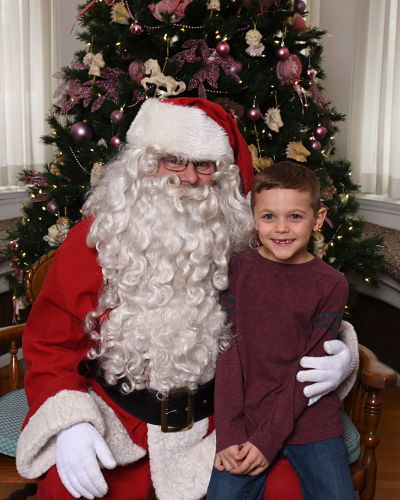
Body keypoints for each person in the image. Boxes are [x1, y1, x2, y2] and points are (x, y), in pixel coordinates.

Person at [16, 98, 358, 500]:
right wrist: (72, 423)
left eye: (204, 164)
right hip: (119, 422)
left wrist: (343, 354)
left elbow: (301, 302)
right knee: (67, 492)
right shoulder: (97, 238)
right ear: (143, 161)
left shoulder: (244, 238)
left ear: (223, 173)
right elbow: (50, 342)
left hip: (220, 426)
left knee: (287, 491)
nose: (189, 178)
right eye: (173, 160)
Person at [208, 162, 355, 500]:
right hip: (246, 420)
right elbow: (227, 359)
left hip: (312, 421)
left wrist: (267, 441)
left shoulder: (331, 284)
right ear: (253, 217)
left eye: (295, 216)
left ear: (318, 218)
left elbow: (311, 374)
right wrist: (230, 435)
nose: (281, 228)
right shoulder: (237, 270)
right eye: (269, 216)